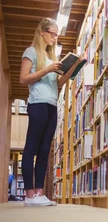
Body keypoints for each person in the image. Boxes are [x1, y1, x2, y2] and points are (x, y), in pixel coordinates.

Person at [19, 18, 84, 207]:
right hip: (37, 104)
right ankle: (29, 195)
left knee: (45, 150)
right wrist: (47, 69)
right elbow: (23, 79)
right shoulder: (31, 52)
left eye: (57, 35)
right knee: (31, 148)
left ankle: (39, 192)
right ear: (42, 32)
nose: (55, 38)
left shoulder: (52, 58)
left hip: (52, 105)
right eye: (52, 34)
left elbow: (57, 85)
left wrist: (72, 68)